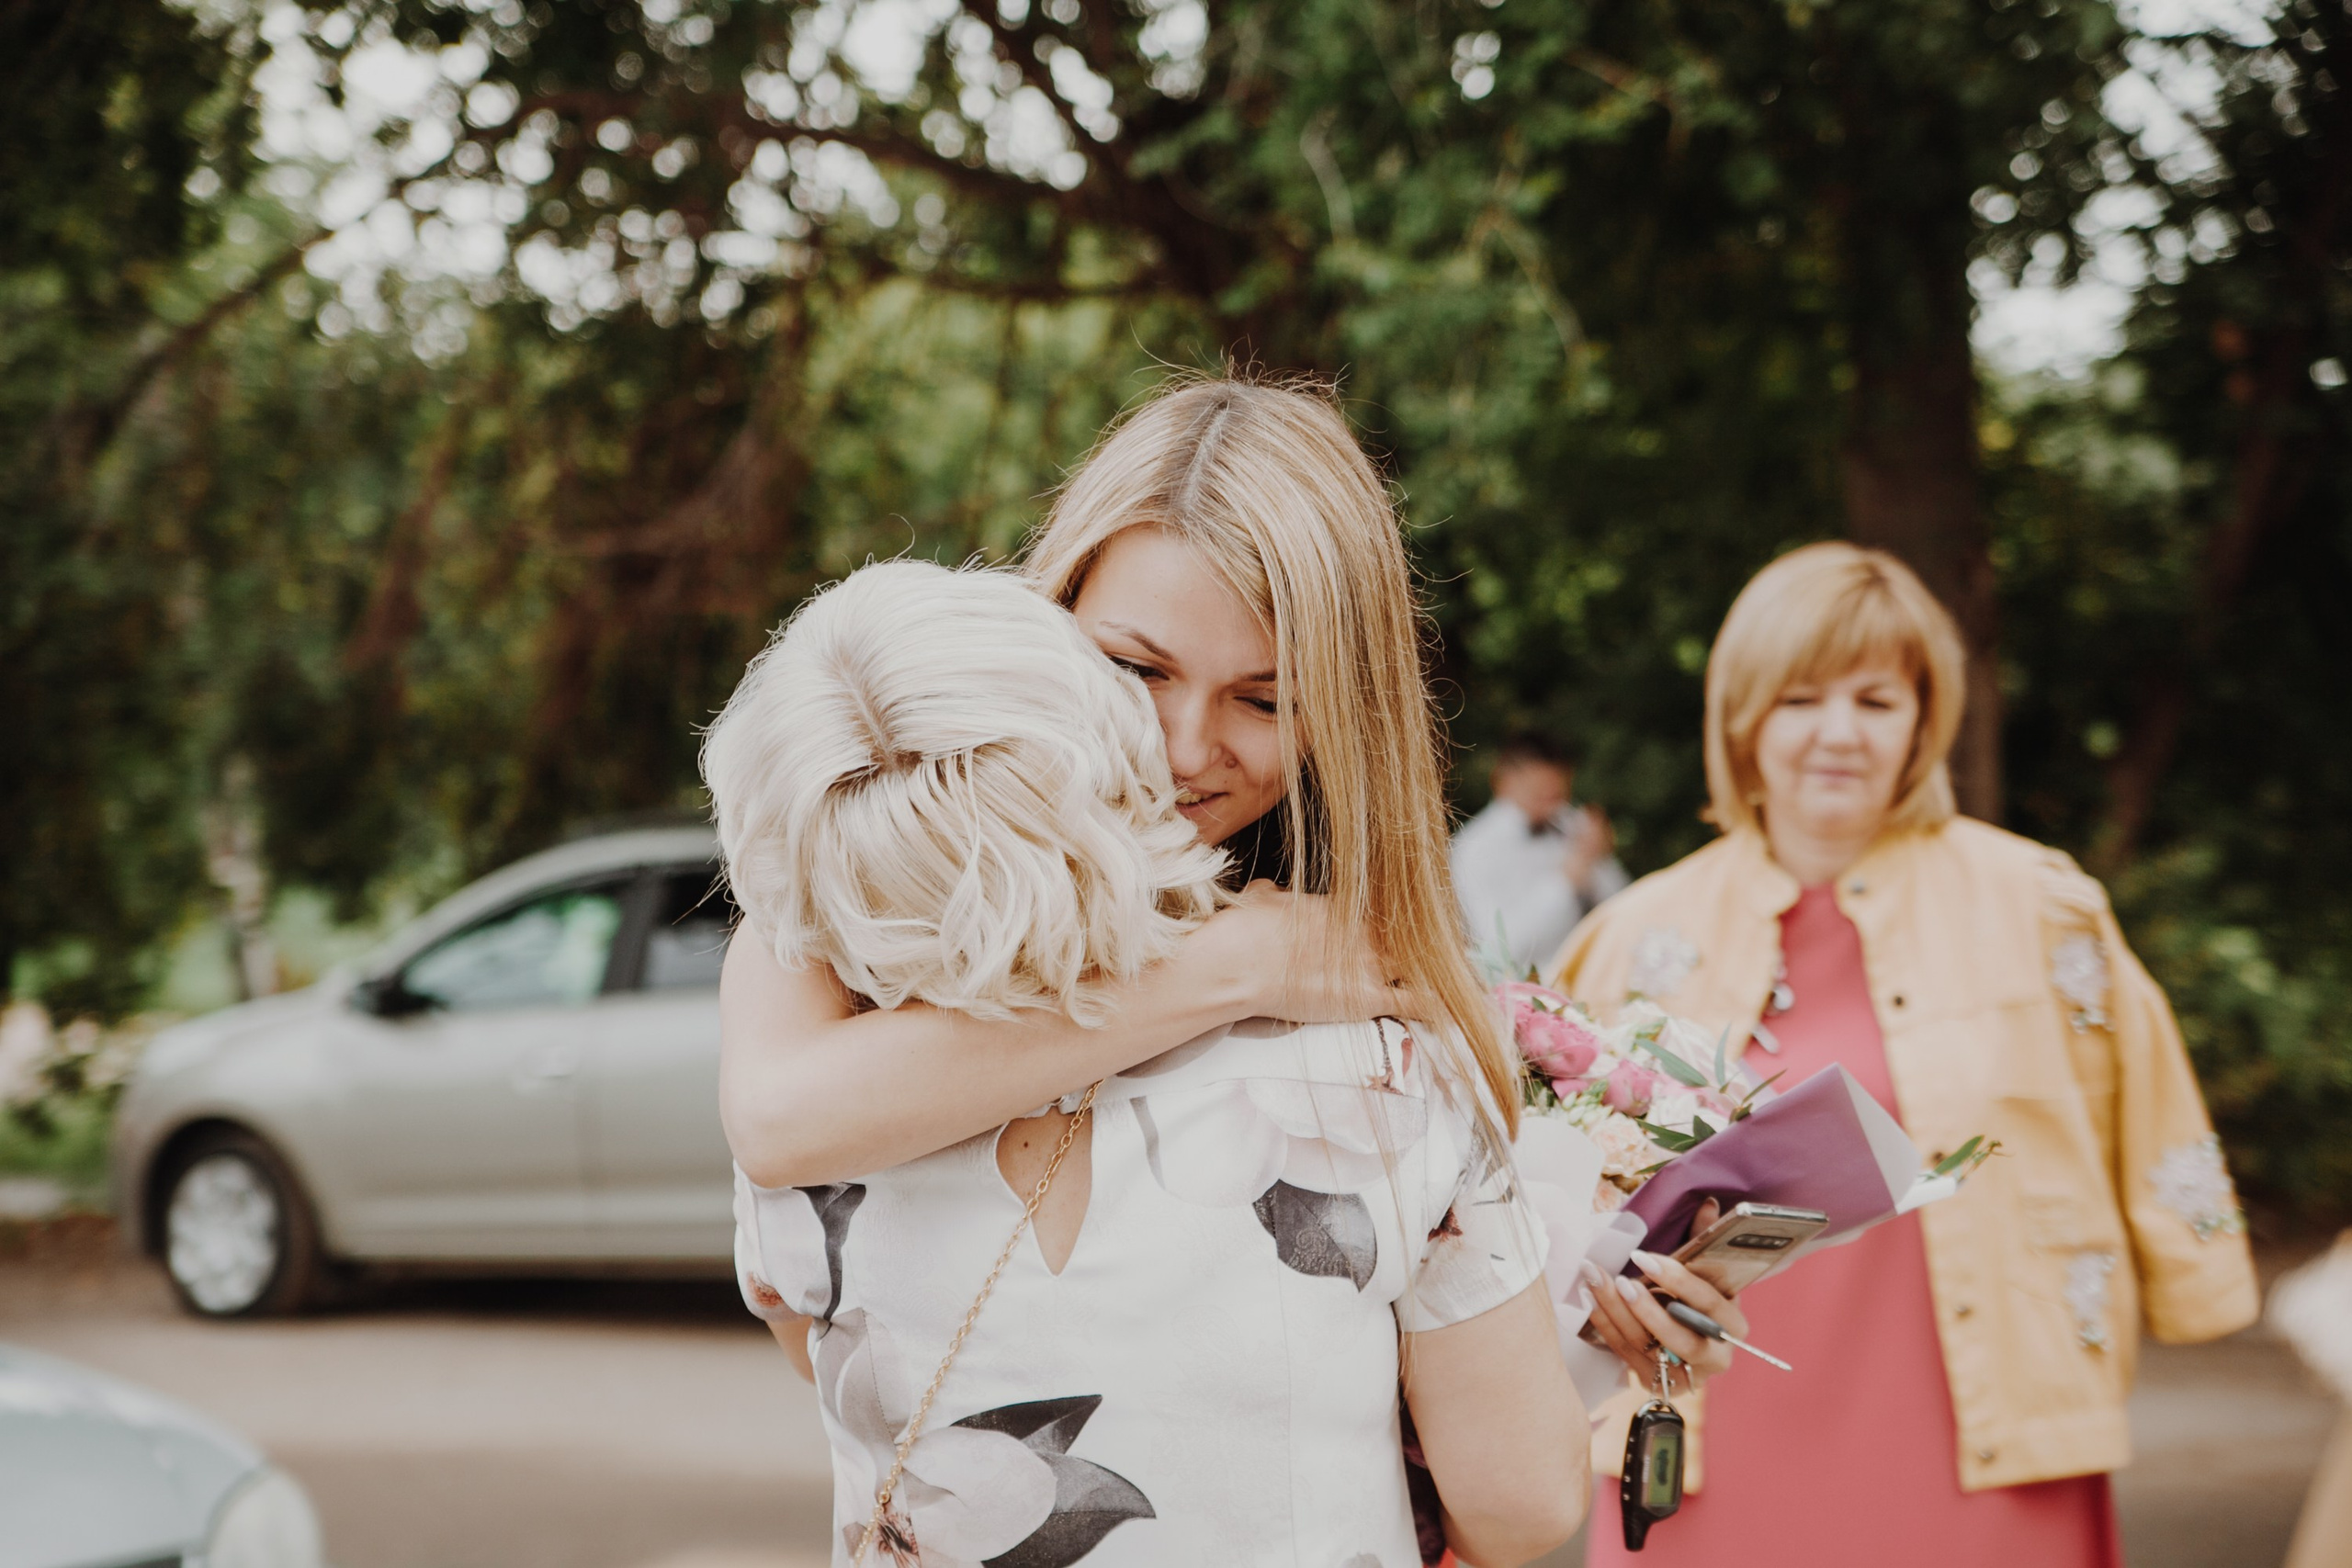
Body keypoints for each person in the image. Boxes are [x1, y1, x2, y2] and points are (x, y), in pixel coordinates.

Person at [710, 377, 1737, 1557]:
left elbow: (826, 1328)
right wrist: (1232, 965)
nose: (1182, 747)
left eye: (1264, 698)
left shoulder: (859, 980)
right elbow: (1518, 1508)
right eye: (1136, 670)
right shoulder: (1376, 1053)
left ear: (1341, 718)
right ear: (1049, 620)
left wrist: (1578, 1316)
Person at [1554, 541, 2260, 1567]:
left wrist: (2198, 1279)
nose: (1837, 734)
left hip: (1983, 1445)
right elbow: (1552, 1197)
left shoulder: (2042, 905)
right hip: (1705, 1445)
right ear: (1743, 715)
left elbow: (2145, 1101)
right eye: (1800, 698)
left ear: (1923, 722)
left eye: (1875, 701)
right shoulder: (1630, 931)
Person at [1450, 732, 1627, 975]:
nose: (1554, 805)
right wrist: (1563, 884)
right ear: (1505, 781)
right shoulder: (1472, 850)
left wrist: (1599, 858)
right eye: (1540, 794)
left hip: (1592, 976)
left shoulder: (1570, 824)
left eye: (1558, 795)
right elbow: (1499, 950)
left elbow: (1622, 908)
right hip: (1519, 994)